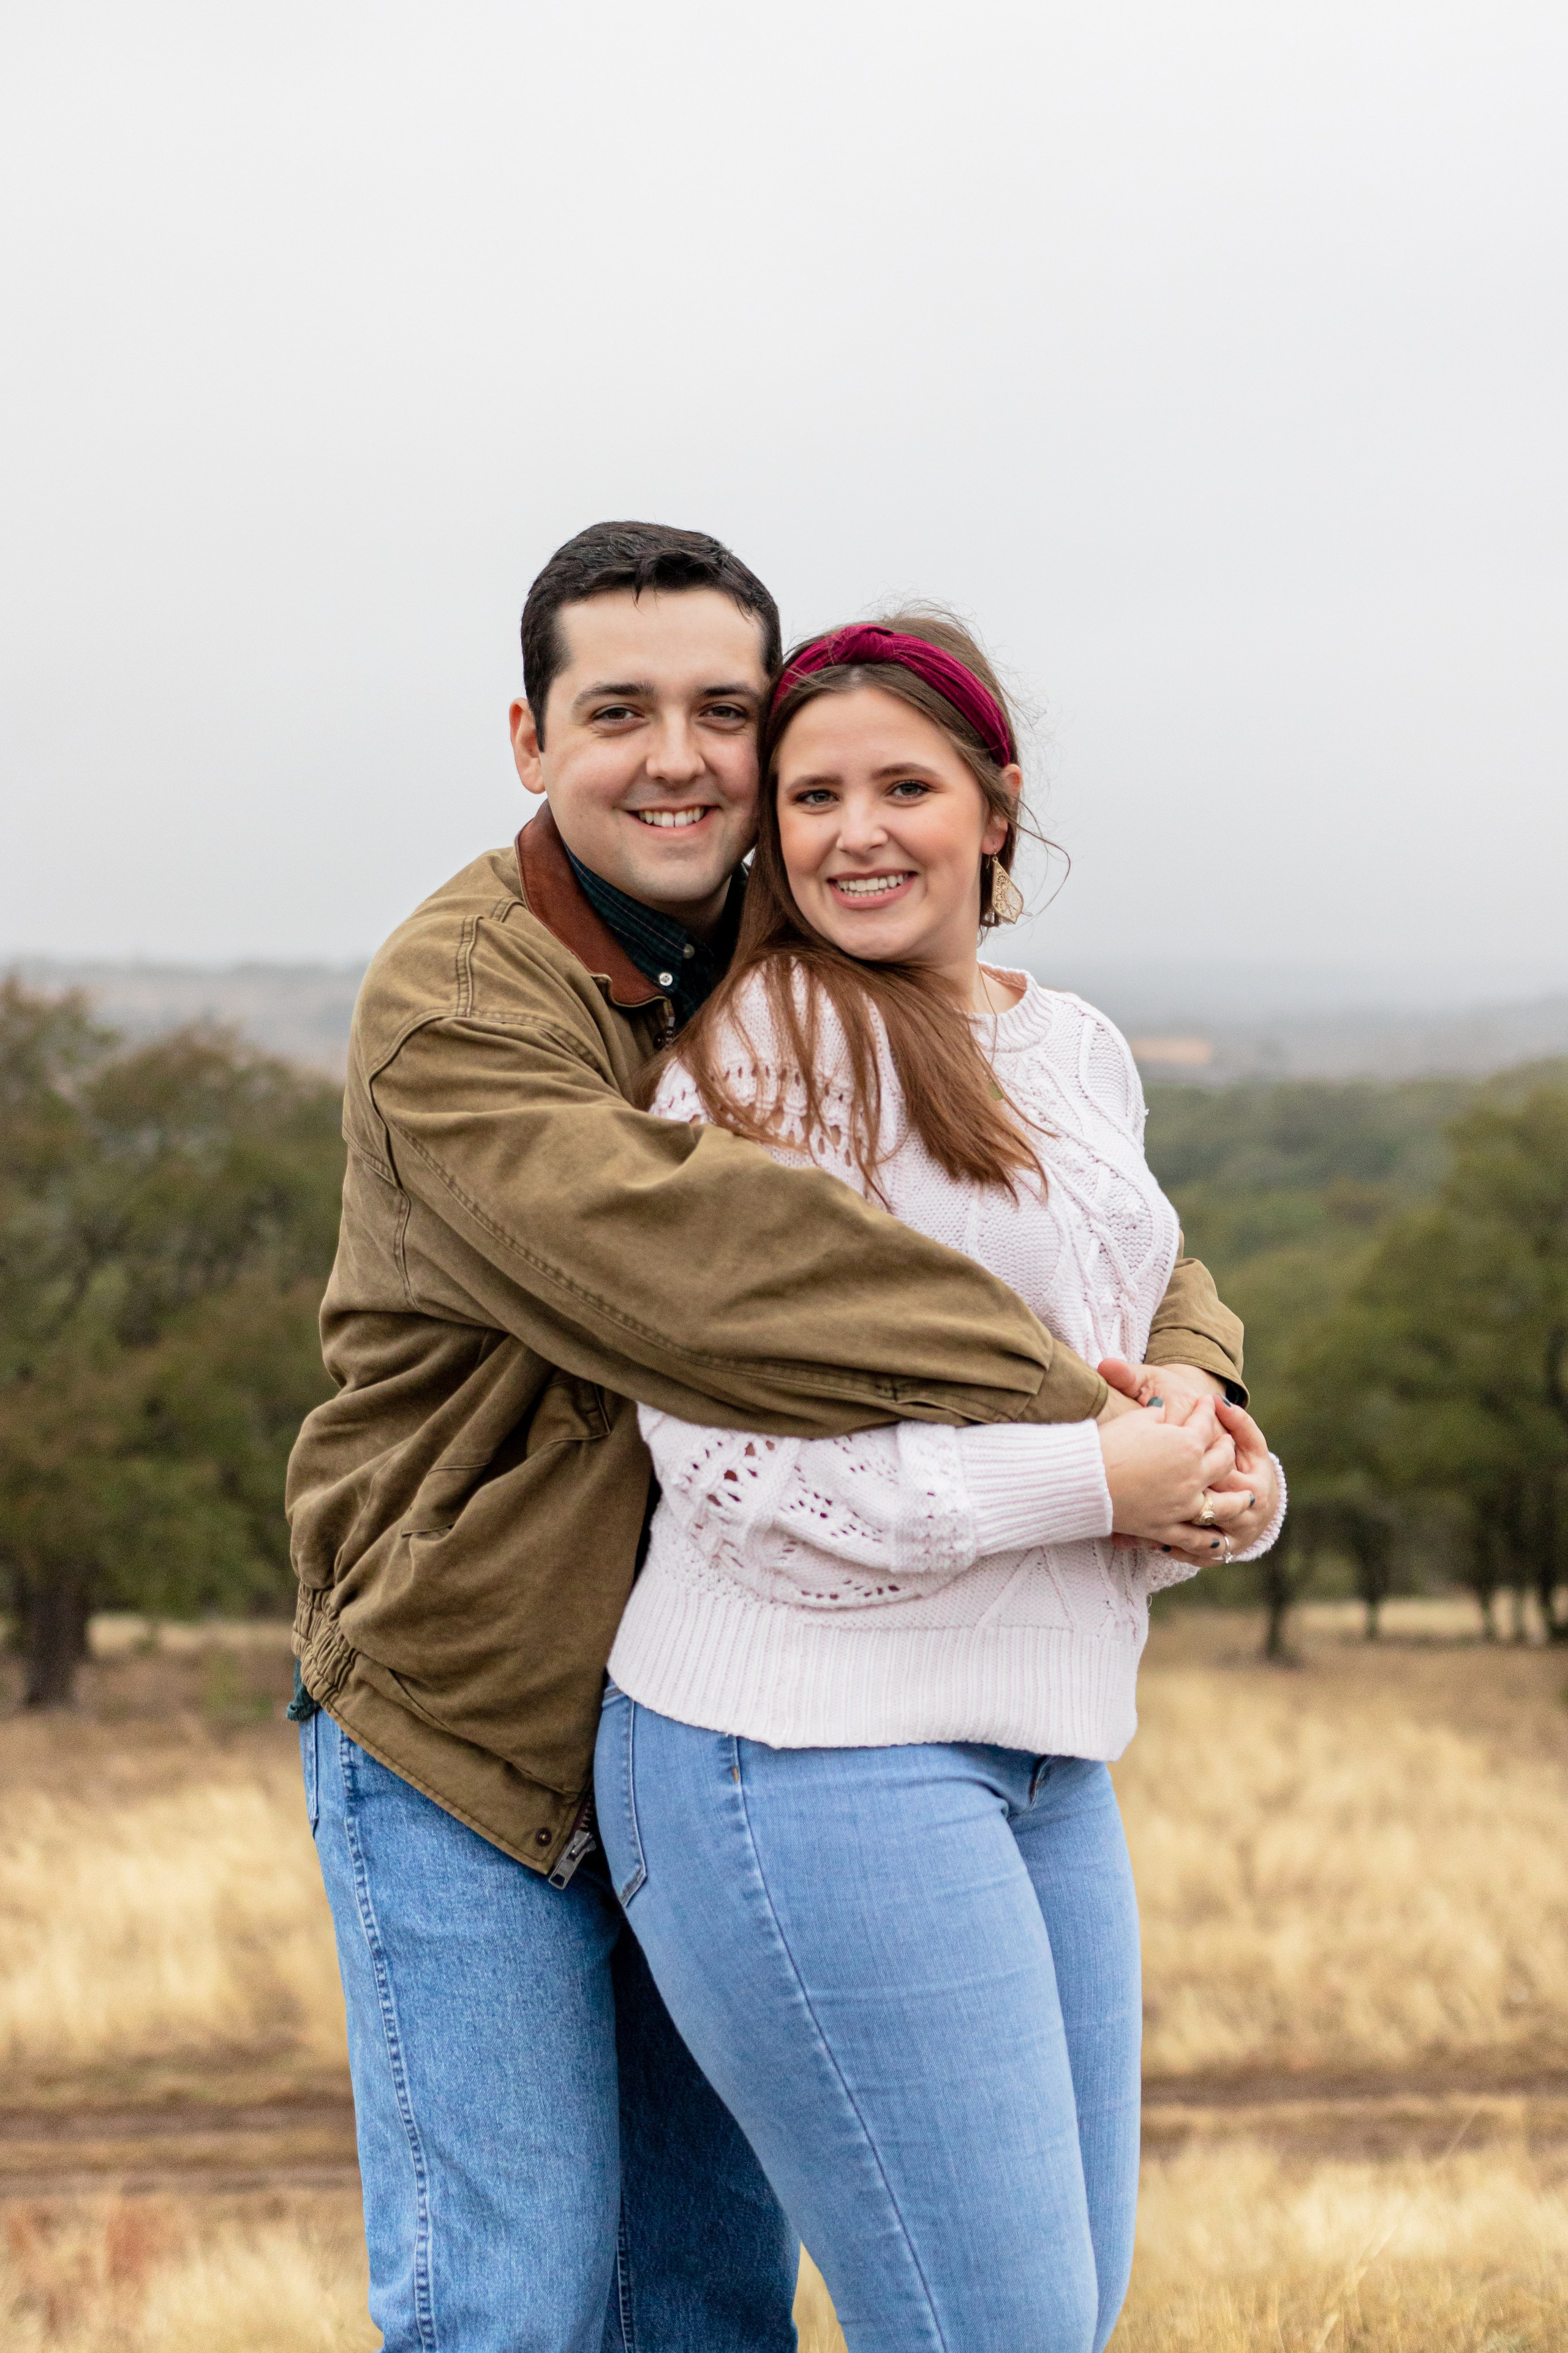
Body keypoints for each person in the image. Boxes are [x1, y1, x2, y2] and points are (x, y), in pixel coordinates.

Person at [285, 524, 1249, 2353]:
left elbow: (1097, 1217)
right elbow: (727, 1279)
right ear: (528, 738)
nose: (678, 759)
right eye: (617, 711)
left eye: (723, 710)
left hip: (711, 1689)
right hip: (471, 1705)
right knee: (509, 2300)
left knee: (707, 2299)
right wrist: (1091, 1425)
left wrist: (1196, 1376)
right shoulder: (459, 1007)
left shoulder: (782, 919)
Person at [597, 611, 1285, 2353]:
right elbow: (742, 1480)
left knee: (1055, 2314)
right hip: (803, 1755)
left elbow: (1117, 1368)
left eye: (904, 787)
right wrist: (1099, 1484)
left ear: (998, 806)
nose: (856, 834)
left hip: (1049, 1755)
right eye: (812, 797)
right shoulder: (764, 1065)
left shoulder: (1078, 1048)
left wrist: (1218, 1478)